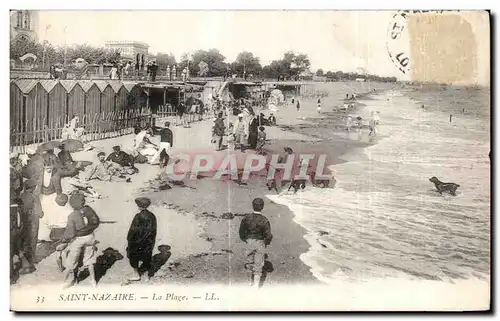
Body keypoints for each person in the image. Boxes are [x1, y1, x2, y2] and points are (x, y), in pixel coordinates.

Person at [59, 193, 100, 288]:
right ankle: (93, 281)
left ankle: (64, 283)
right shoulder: (88, 209)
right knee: (89, 259)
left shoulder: (72, 216)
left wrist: (64, 239)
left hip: (78, 239)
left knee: (71, 262)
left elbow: (70, 233)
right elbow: (96, 222)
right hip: (90, 237)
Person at [238, 198, 273, 288]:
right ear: (262, 207)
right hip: (260, 242)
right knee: (258, 264)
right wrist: (266, 242)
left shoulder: (246, 218)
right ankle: (256, 285)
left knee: (249, 262)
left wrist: (245, 239)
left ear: (253, 206)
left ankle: (250, 282)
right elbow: (268, 235)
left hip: (249, 241)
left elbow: (241, 231)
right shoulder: (264, 220)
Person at [126, 197, 157, 281]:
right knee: (146, 257)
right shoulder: (152, 216)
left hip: (137, 242)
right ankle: (147, 276)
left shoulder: (138, 216)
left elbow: (133, 230)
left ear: (139, 206)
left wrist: (129, 240)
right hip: (148, 242)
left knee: (133, 257)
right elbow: (154, 230)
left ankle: (136, 274)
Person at [18, 179, 43, 274]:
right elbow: (39, 212)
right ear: (33, 187)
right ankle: (32, 259)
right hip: (33, 220)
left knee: (24, 240)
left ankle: (23, 258)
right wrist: (41, 213)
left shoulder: (20, 196)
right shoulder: (35, 197)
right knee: (33, 239)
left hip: (22, 221)